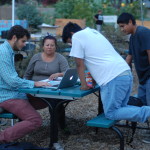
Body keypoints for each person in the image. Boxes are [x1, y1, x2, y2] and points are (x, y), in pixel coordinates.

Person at [62, 22, 150, 123]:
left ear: (72, 34)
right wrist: (93, 80)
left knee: (111, 113)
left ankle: (147, 112)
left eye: (70, 42)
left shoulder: (77, 36)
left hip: (113, 78)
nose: (72, 45)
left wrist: (84, 85)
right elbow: (97, 59)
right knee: (121, 107)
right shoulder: (93, 32)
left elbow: (79, 64)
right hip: (125, 73)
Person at [0, 25, 50, 143]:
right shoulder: (3, 53)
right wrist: (34, 83)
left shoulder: (7, 51)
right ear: (14, 37)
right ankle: (3, 138)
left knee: (47, 100)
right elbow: (12, 81)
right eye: (23, 41)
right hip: (7, 96)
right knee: (35, 120)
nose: (24, 44)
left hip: (14, 93)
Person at [24, 35, 69, 130]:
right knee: (21, 100)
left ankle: (58, 127)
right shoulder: (36, 57)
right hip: (35, 87)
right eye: (47, 45)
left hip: (52, 88)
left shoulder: (60, 58)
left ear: (56, 46)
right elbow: (27, 74)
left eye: (52, 45)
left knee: (56, 102)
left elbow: (67, 73)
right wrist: (24, 87)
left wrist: (59, 74)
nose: (49, 47)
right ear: (43, 46)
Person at [117, 12, 150, 143]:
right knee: (143, 104)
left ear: (131, 22)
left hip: (149, 76)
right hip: (142, 78)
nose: (122, 29)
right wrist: (120, 72)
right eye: (120, 27)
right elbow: (129, 57)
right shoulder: (132, 37)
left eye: (123, 26)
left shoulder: (144, 33)